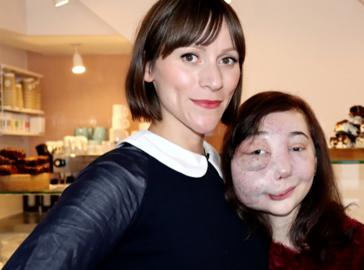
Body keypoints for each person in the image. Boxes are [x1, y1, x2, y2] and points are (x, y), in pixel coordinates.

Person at [4, 1, 268, 269]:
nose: (214, 80)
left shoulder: (221, 168)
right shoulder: (121, 179)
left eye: (227, 60)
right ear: (148, 68)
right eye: (190, 56)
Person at [221, 91, 364, 270]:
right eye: (258, 151)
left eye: (296, 148)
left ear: (316, 158)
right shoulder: (213, 246)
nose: (283, 169)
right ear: (229, 162)